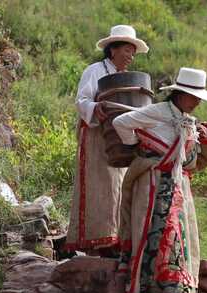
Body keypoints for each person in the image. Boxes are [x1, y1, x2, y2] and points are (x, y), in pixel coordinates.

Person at [112, 67, 207, 293]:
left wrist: (206, 137)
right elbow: (121, 122)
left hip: (177, 188)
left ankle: (175, 289)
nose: (196, 103)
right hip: (151, 183)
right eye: (193, 97)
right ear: (179, 94)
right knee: (151, 233)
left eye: (198, 98)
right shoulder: (157, 112)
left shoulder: (188, 122)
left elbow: (194, 162)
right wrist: (138, 144)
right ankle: (146, 290)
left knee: (175, 236)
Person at [65, 25, 149, 256]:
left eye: (133, 52)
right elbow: (82, 100)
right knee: (99, 186)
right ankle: (98, 240)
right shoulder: (95, 71)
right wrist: (96, 107)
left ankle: (116, 238)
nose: (131, 56)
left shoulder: (126, 78)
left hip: (119, 141)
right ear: (113, 50)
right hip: (96, 139)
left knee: (118, 186)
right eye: (127, 50)